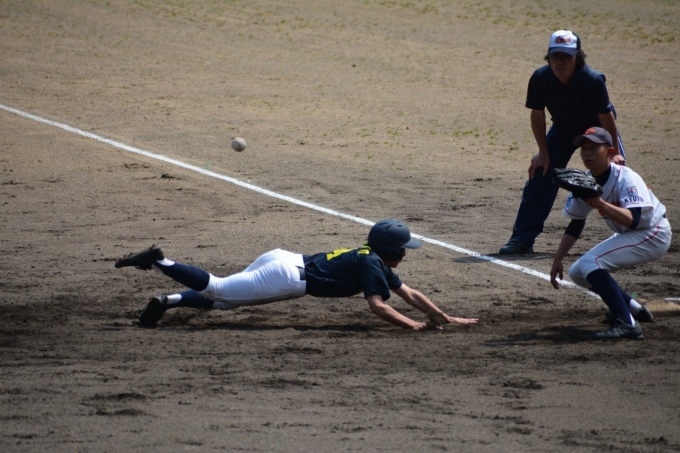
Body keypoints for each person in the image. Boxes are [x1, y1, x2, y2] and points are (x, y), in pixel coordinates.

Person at [114, 219, 479, 330]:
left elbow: (409, 294)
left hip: (283, 259)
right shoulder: (372, 264)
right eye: (402, 248)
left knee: (225, 302)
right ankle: (160, 261)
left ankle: (167, 302)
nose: (405, 253)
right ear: (390, 250)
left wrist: (444, 316)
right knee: (218, 288)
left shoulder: (371, 258)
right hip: (286, 279)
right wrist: (413, 326)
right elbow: (378, 307)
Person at [500, 30, 626, 255]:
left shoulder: (592, 79)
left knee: (616, 177)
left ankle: (632, 233)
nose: (560, 61)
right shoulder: (540, 78)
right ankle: (522, 239)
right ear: (548, 57)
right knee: (541, 172)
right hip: (563, 129)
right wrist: (543, 153)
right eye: (555, 56)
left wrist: (614, 151)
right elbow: (537, 114)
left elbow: (606, 117)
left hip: (596, 131)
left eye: (566, 56)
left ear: (577, 58)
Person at [549, 127, 671, 340]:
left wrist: (598, 202)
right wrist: (558, 259)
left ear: (609, 151)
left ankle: (627, 323)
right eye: (584, 148)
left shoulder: (627, 178)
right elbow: (576, 223)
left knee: (591, 263)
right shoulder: (584, 182)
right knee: (577, 272)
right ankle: (634, 309)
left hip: (653, 233)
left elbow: (633, 220)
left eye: (594, 147)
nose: (587, 153)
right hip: (631, 234)